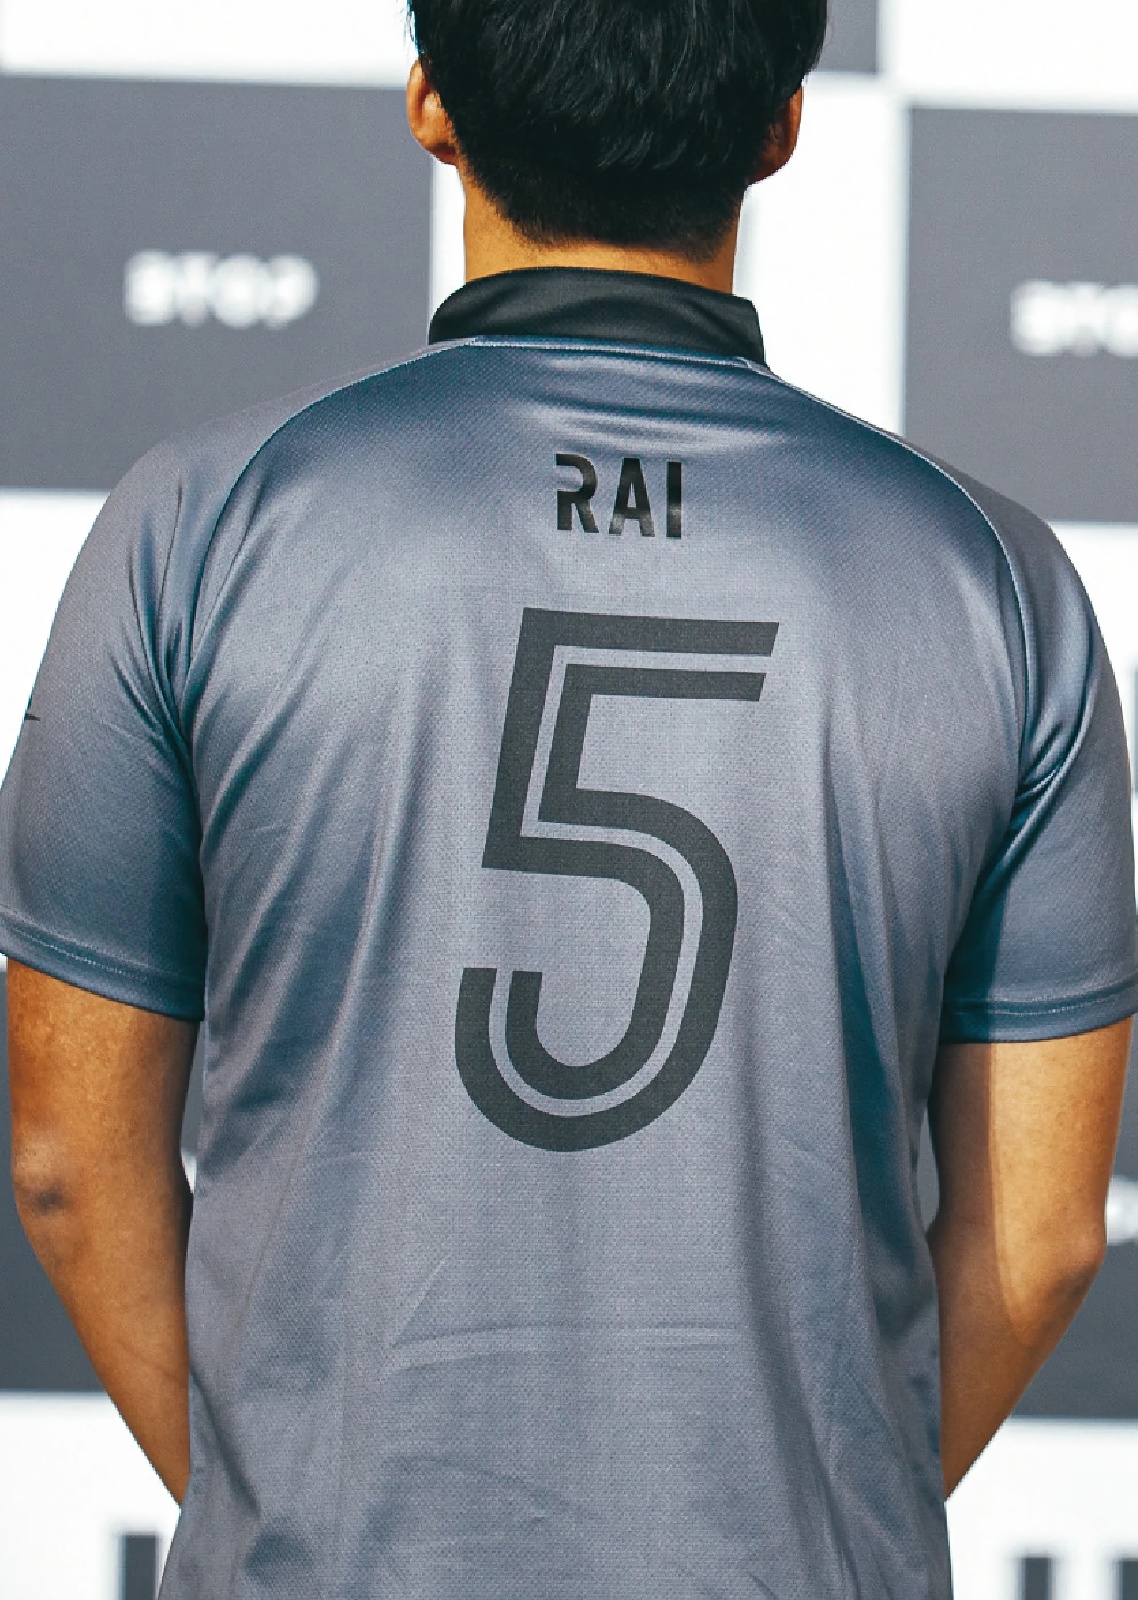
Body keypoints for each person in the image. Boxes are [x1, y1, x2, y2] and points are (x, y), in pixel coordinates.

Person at [3, 1, 1134, 1594]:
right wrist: (821, 1522)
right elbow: (1042, 1235)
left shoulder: (199, 524)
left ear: (430, 103)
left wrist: (285, 1508)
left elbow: (67, 1159)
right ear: (779, 125)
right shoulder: (992, 579)